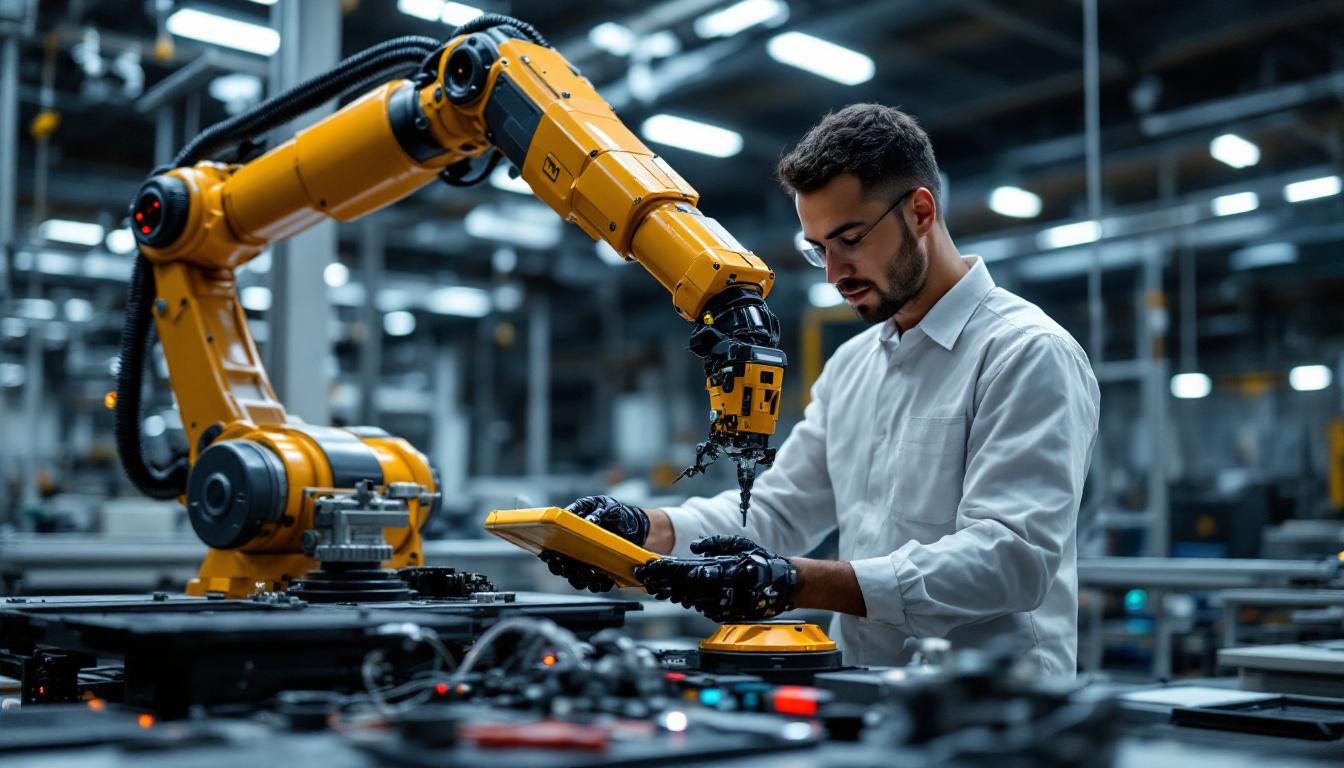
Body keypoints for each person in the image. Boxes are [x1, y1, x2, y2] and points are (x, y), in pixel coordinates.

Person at [540, 104, 1100, 675]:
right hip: (867, 691)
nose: (833, 273)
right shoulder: (853, 366)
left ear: (921, 212)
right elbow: (778, 513)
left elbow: (1012, 559)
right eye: (818, 249)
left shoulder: (1025, 353)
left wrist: (797, 582)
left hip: (1000, 711)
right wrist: (644, 530)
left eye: (850, 240)